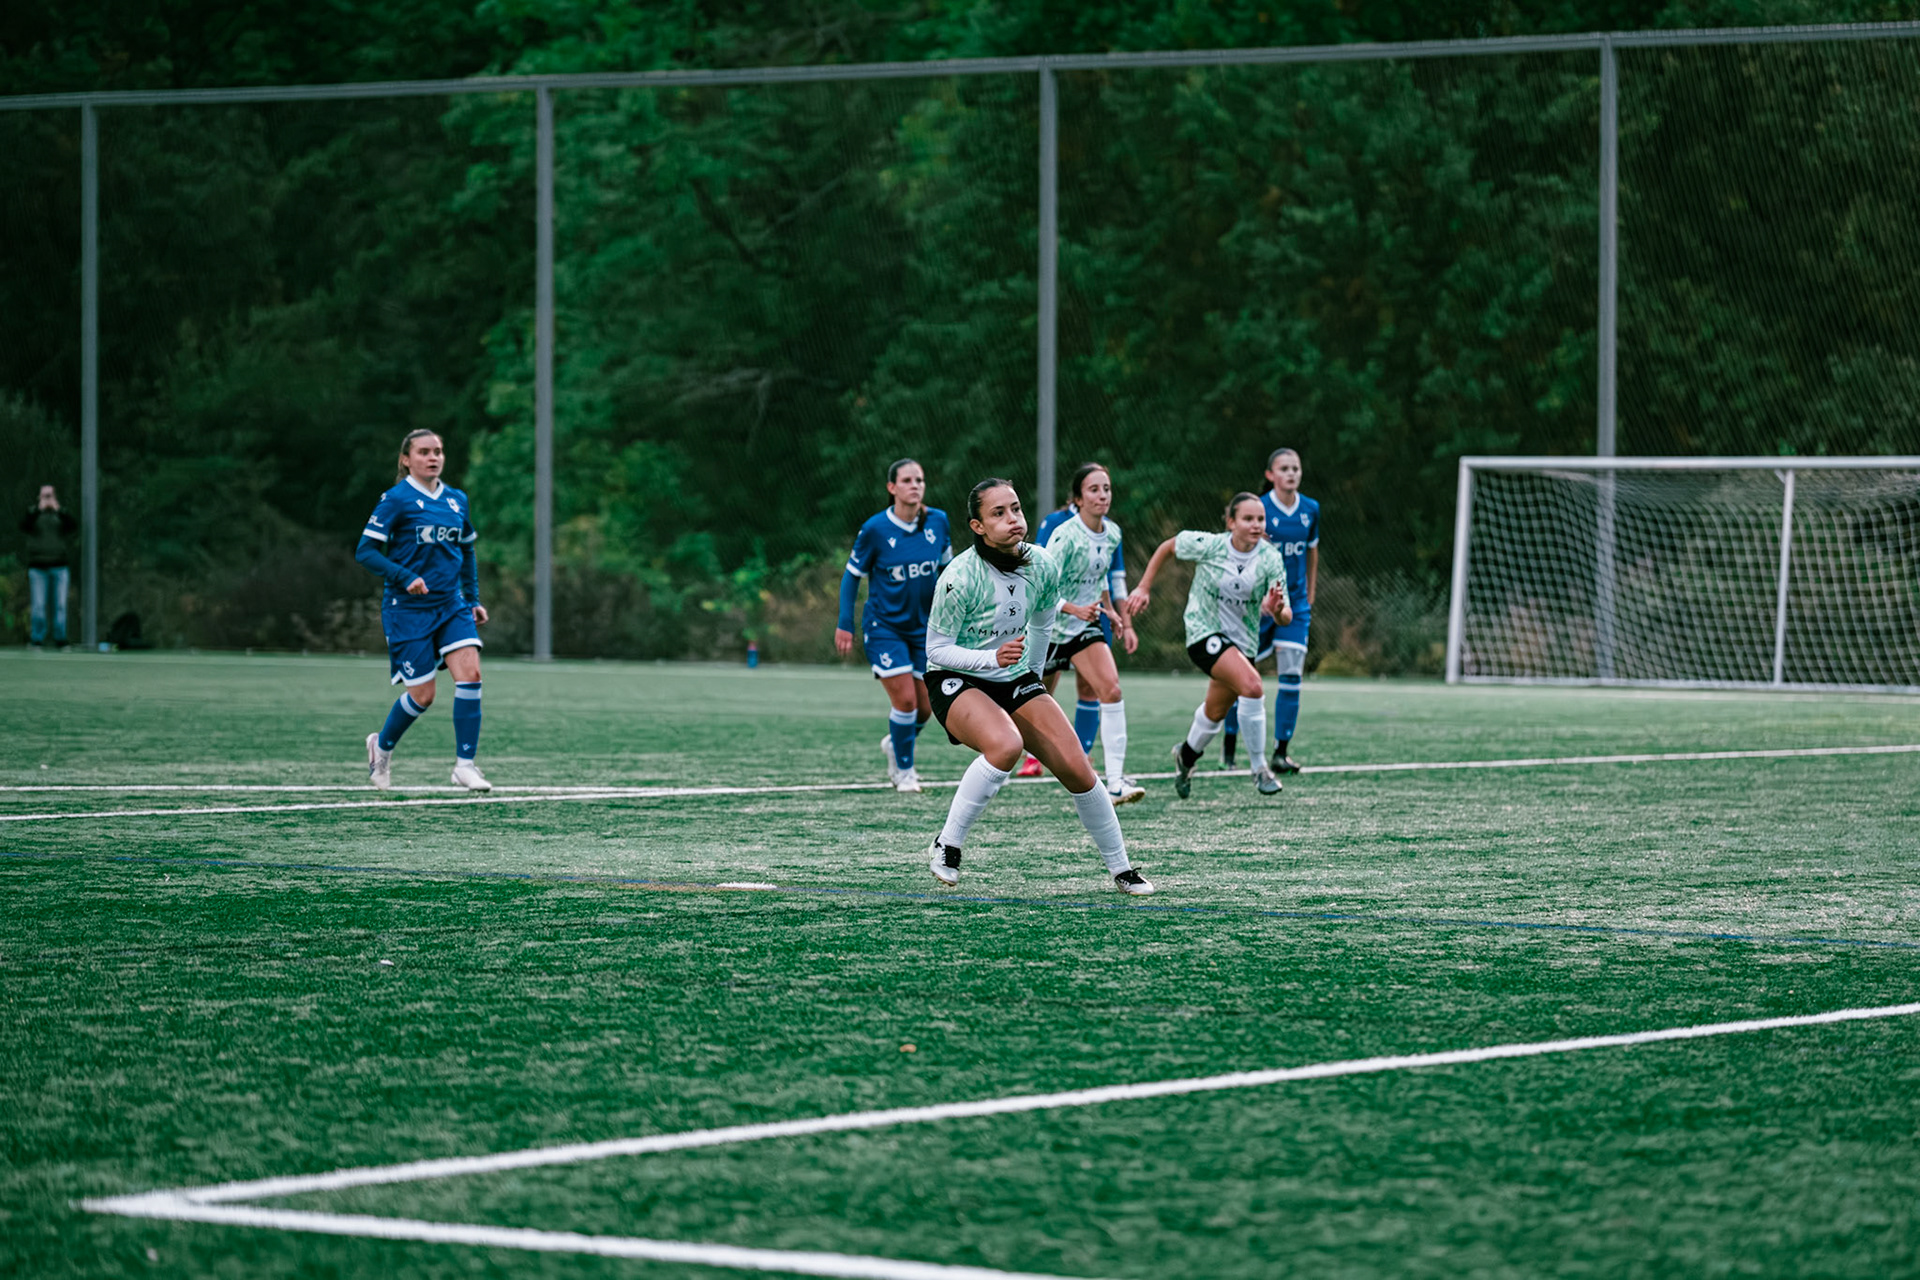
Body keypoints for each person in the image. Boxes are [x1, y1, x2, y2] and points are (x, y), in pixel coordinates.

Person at [921, 478, 1154, 895]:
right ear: (977, 527)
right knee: (1006, 745)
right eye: (998, 513)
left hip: (1013, 673)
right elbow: (936, 650)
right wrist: (991, 660)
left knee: (1078, 768)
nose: (1013, 518)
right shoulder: (959, 577)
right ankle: (947, 844)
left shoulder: (1042, 563)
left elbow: (1043, 624)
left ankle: (1122, 869)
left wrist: (1032, 677)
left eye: (1015, 508)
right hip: (955, 677)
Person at [1128, 492, 1291, 798]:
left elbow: (1286, 616)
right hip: (1203, 632)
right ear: (1231, 522)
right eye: (1247, 519)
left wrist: (1277, 608)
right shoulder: (1211, 545)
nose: (1256, 525)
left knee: (1215, 712)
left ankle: (1186, 756)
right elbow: (1168, 547)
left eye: (1260, 519)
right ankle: (1260, 769)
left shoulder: (1270, 559)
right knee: (1253, 687)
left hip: (1243, 645)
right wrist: (1144, 587)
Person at [354, 430, 491, 792]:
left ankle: (465, 766)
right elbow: (365, 551)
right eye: (424, 452)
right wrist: (405, 576)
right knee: (423, 696)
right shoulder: (396, 499)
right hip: (407, 610)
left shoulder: (456, 500)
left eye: (438, 451)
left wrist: (473, 599)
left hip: (451, 605)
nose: (433, 458)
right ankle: (381, 747)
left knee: (471, 675)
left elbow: (467, 551)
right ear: (406, 459)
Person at [834, 458, 952, 794]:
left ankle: (895, 742)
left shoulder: (938, 521)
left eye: (920, 480)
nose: (915, 485)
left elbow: (948, 573)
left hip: (924, 628)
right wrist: (845, 623)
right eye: (907, 480)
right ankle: (905, 771)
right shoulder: (875, 529)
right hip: (884, 627)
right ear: (892, 488)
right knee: (906, 702)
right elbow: (851, 576)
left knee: (926, 708)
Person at [1037, 463, 1143, 804]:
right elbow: (1041, 586)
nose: (1102, 495)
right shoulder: (1065, 535)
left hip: (1085, 626)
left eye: (1106, 489)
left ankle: (1115, 783)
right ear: (1078, 499)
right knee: (1030, 700)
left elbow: (1100, 581)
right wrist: (1072, 608)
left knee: (1111, 690)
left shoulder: (1112, 533)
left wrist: (1111, 612)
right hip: (1048, 627)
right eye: (1094, 489)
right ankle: (1006, 753)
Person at [1222, 448, 1320, 772]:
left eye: (1296, 468)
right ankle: (1229, 747)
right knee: (1242, 675)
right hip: (1256, 605)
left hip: (1295, 605)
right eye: (1284, 468)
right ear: (1270, 475)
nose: (1291, 473)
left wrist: (1309, 593)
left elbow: (1311, 553)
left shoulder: (1311, 509)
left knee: (1291, 673)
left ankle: (1281, 752)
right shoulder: (1258, 508)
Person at [20, 484, 78, 649]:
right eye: (44, 495)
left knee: (60, 605)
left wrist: (58, 509)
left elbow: (72, 527)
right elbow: (24, 526)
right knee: (38, 606)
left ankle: (60, 639)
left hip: (59, 566)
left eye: (49, 495)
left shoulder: (61, 514)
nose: (47, 498)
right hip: (38, 568)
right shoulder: (33, 514)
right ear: (39, 497)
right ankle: (37, 639)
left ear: (55, 496)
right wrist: (38, 510)